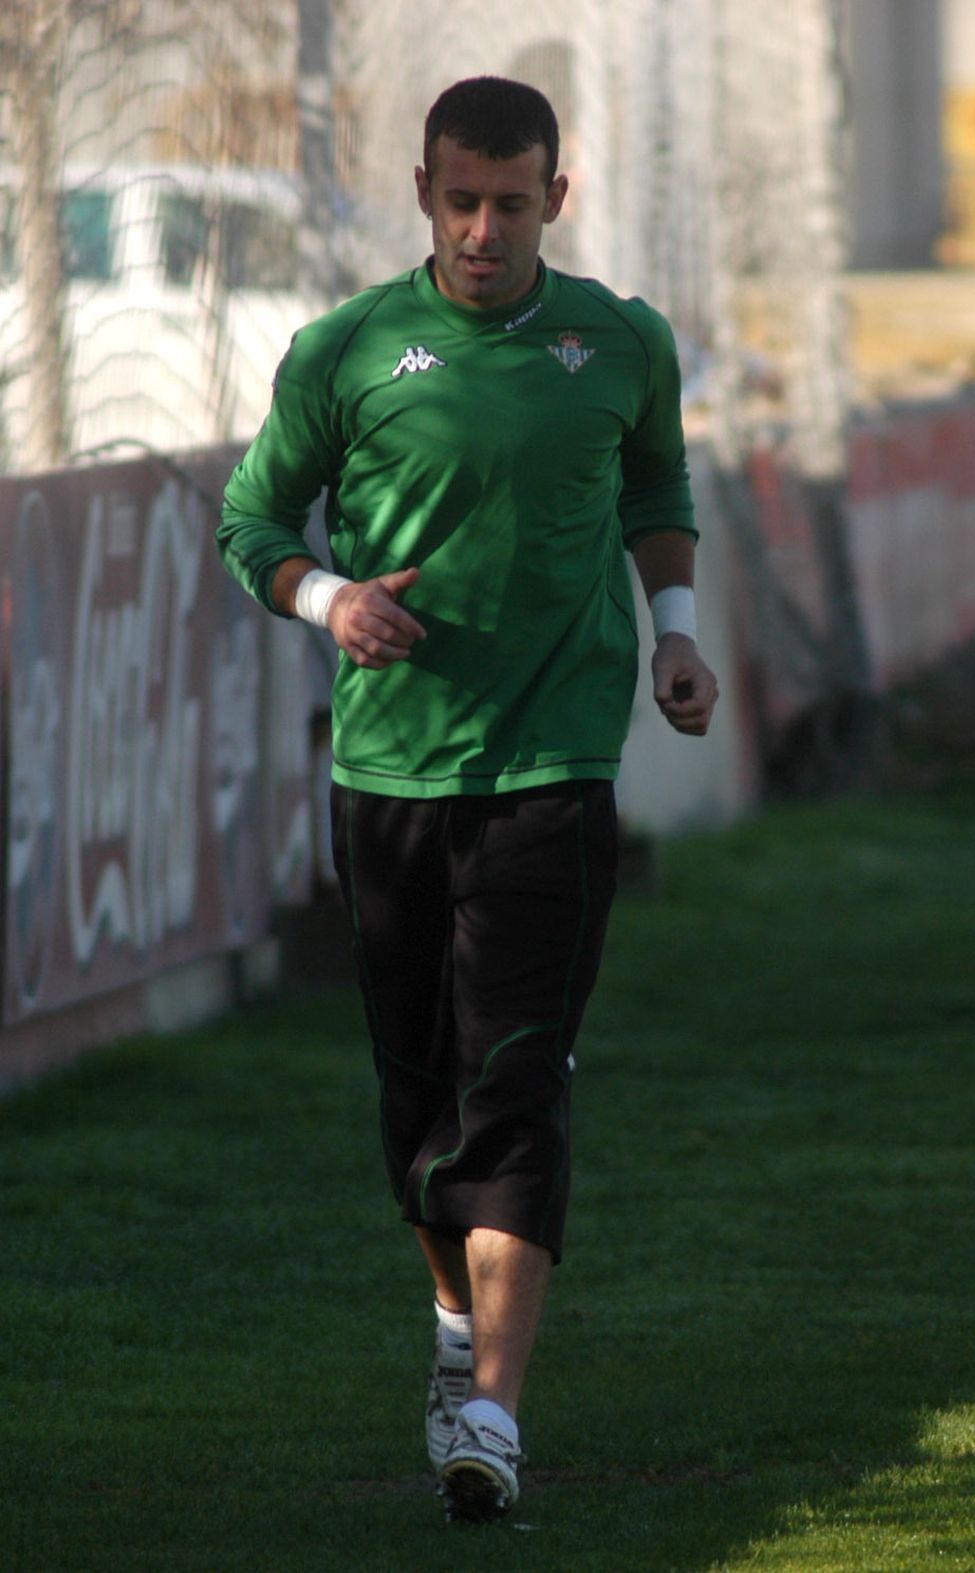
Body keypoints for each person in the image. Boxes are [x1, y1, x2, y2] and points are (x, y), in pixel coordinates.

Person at [217, 76, 718, 1523]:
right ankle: (453, 1323)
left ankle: (493, 1407)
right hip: (388, 773)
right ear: (423, 193)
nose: (484, 228)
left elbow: (655, 482)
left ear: (555, 197)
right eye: (460, 201)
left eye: (511, 201)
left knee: (512, 1085)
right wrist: (328, 598)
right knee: (414, 1103)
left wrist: (674, 627)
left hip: (555, 769)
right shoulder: (350, 348)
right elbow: (252, 515)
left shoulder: (617, 340)